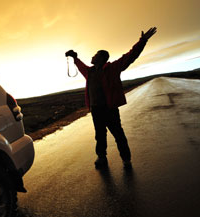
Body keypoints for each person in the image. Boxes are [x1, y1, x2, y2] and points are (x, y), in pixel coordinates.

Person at [65, 27, 157, 169]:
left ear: (101, 58)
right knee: (100, 135)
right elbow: (81, 66)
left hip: (109, 109)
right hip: (96, 110)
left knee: (118, 134)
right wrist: (74, 57)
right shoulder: (90, 72)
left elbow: (130, 56)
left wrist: (143, 41)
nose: (93, 56)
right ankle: (101, 158)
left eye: (96, 54)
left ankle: (126, 159)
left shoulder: (113, 68)